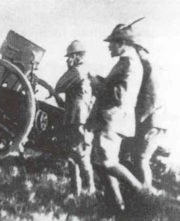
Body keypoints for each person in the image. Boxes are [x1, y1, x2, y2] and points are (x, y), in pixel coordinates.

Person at [92, 18, 154, 210]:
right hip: (114, 119)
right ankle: (117, 205)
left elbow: (119, 95)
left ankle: (142, 193)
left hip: (113, 118)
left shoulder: (128, 63)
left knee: (108, 162)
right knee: (101, 162)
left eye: (112, 43)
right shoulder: (128, 61)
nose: (109, 47)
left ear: (122, 43)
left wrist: (96, 85)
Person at [55, 40, 96, 196]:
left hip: (76, 118)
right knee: (74, 155)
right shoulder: (87, 70)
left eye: (70, 56)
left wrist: (69, 69)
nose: (68, 60)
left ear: (78, 56)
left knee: (80, 155)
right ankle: (77, 191)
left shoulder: (76, 72)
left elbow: (59, 85)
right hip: (81, 117)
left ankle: (90, 189)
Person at [128, 45, 168, 189]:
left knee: (141, 158)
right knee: (138, 157)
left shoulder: (146, 66)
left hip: (151, 120)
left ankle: (146, 194)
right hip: (154, 119)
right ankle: (143, 192)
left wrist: (138, 120)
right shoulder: (149, 66)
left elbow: (151, 98)